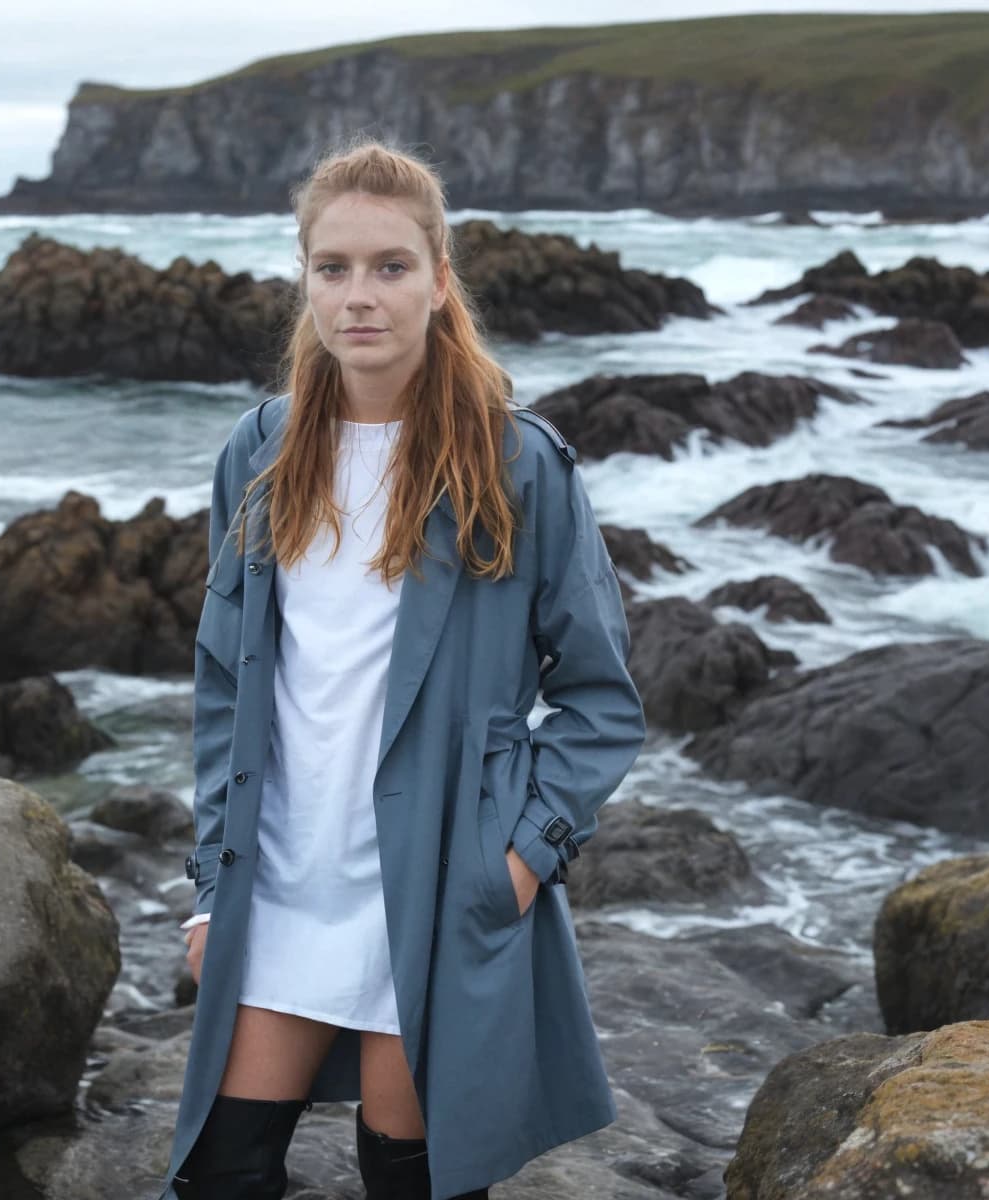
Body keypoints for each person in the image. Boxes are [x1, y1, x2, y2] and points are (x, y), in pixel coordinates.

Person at [157, 138, 646, 1200]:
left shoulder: (516, 463)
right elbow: (225, 690)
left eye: (389, 267)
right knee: (219, 1176)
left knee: (411, 1181)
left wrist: (513, 864)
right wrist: (208, 887)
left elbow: (600, 702)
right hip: (280, 883)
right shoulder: (260, 452)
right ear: (305, 281)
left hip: (429, 891)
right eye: (331, 268)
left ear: (437, 279)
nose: (358, 297)